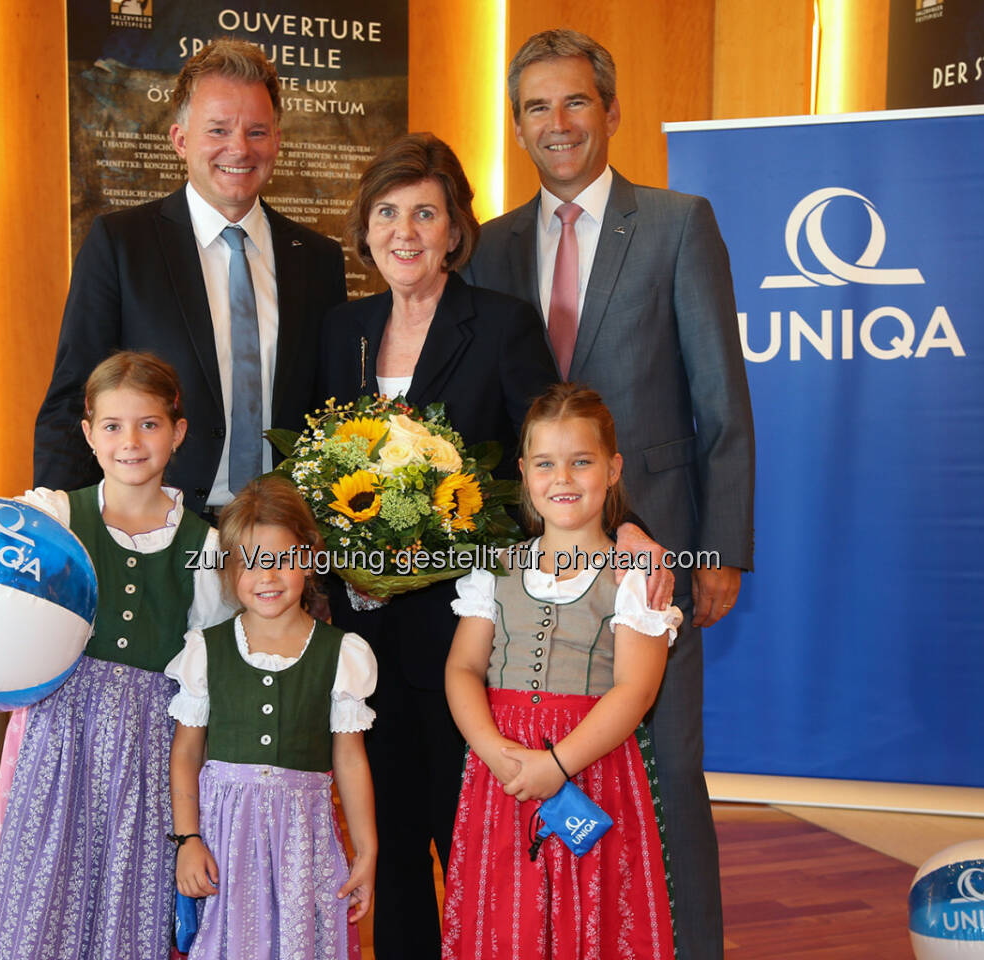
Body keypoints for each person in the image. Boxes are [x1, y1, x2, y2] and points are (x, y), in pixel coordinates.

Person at [461, 29, 755, 958]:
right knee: (543, 786)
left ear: (612, 110)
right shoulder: (492, 246)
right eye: (537, 107)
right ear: (516, 125)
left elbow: (722, 403)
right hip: (533, 568)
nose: (558, 123)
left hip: (654, 557)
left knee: (667, 770)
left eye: (576, 101)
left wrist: (723, 550)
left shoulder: (678, 223)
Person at [0, 351, 234, 959]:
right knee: (43, 873)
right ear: (87, 434)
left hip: (151, 744)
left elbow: (218, 666)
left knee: (128, 885)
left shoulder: (206, 548)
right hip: (59, 729)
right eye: (111, 426)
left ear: (178, 432)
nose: (130, 442)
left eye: (149, 424)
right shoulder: (55, 515)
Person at [312, 132, 559, 958]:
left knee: (472, 829)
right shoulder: (340, 329)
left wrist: (426, 559)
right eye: (387, 212)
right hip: (361, 631)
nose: (405, 232)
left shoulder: (501, 325)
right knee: (390, 830)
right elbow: (309, 472)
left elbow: (532, 467)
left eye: (425, 213)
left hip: (465, 632)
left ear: (456, 229)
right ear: (366, 227)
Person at [34, 37, 347, 520]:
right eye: (218, 129)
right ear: (181, 140)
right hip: (152, 534)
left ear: (278, 140)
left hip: (282, 540)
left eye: (257, 131)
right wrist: (56, 530)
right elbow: (75, 399)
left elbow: (331, 416)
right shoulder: (121, 244)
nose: (239, 148)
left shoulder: (319, 259)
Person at [442, 383, 680, 959]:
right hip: (502, 771)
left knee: (593, 912)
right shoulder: (494, 568)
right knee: (504, 916)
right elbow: (463, 668)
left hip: (590, 768)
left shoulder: (631, 575)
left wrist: (557, 764)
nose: (563, 479)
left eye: (582, 462)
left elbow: (635, 691)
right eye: (546, 464)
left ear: (613, 468)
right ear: (524, 472)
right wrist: (496, 752)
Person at [166, 474, 377, 960]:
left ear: (307, 557)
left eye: (282, 559)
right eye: (250, 563)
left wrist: (366, 851)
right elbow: (185, 753)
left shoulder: (341, 653)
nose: (267, 576)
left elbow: (350, 760)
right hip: (223, 838)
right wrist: (188, 838)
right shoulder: (206, 650)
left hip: (302, 840)